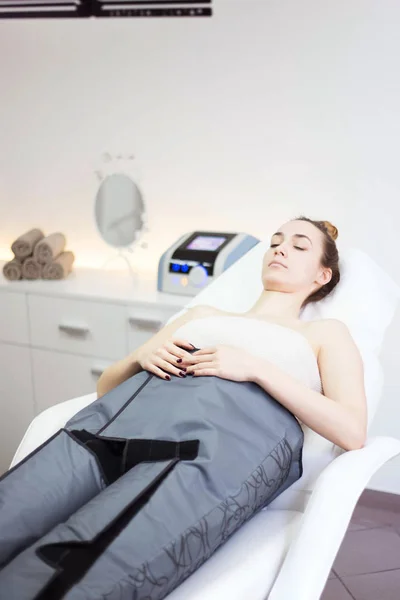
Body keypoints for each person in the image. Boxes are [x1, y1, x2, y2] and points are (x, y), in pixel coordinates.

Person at [97, 216, 368, 452]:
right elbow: (104, 389)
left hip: (211, 452)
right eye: (275, 243)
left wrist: (256, 369)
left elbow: (353, 433)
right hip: (135, 426)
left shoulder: (324, 332)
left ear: (323, 276)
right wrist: (139, 358)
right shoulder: (201, 314)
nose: (281, 250)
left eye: (298, 246)